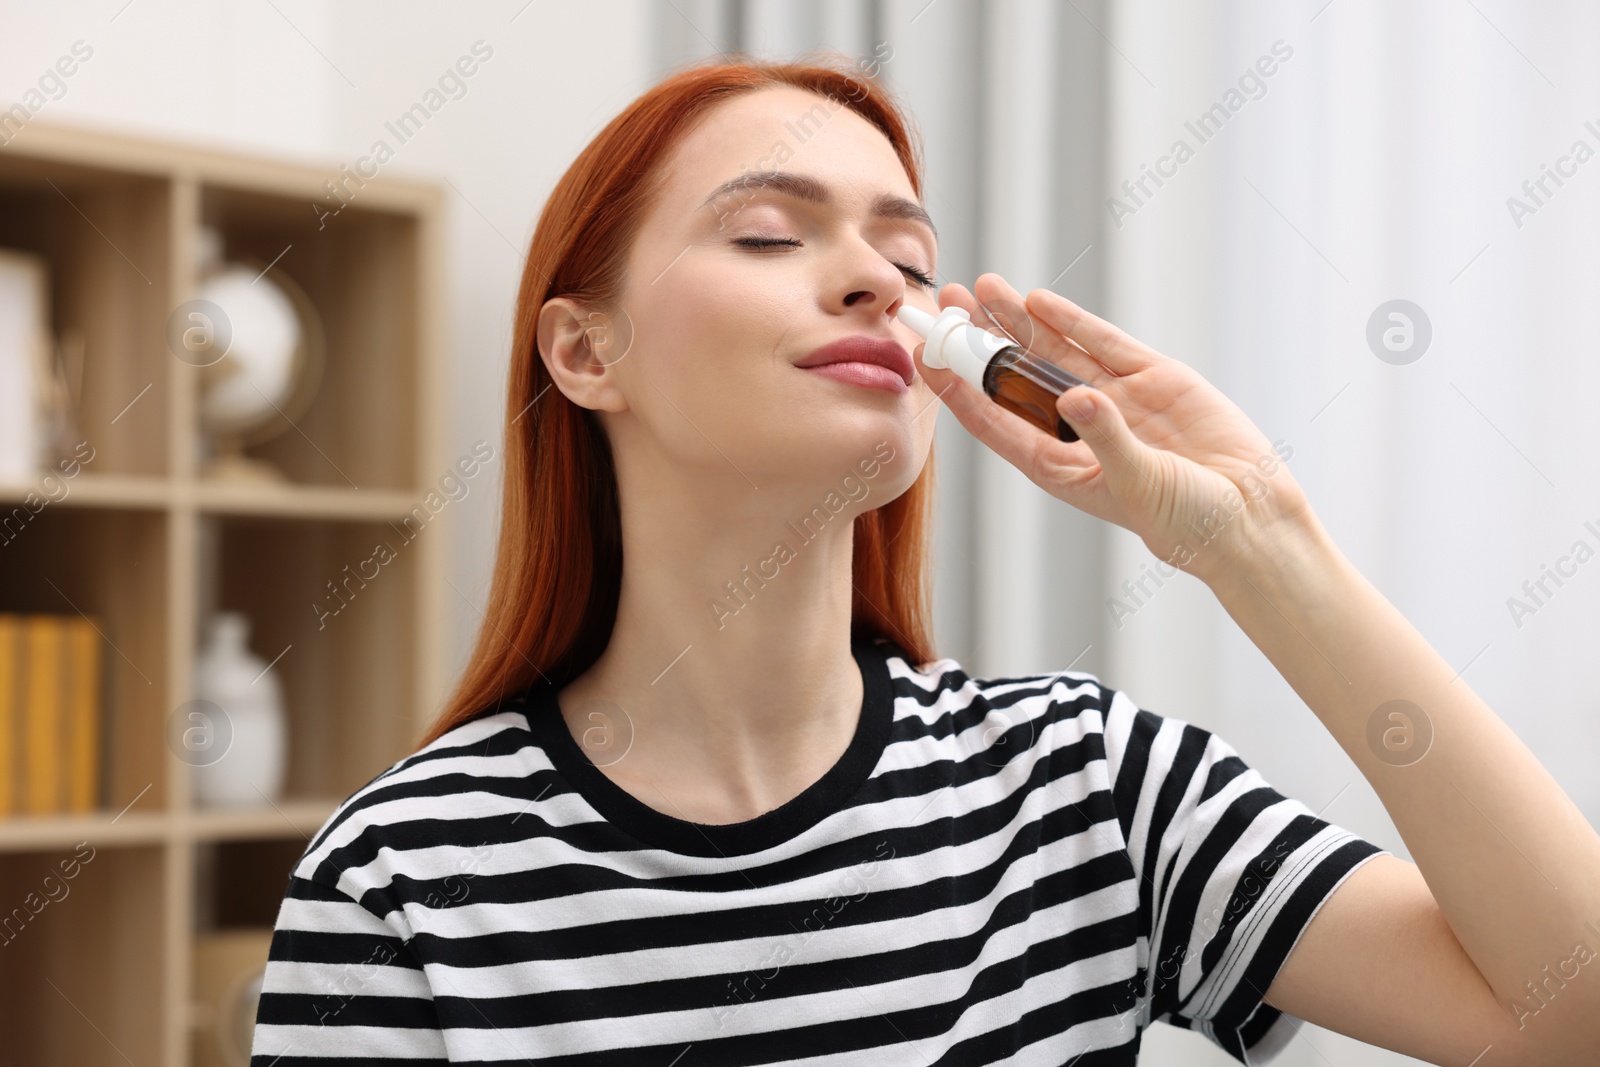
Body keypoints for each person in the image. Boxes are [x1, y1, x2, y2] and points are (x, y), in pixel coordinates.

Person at [250, 55, 1600, 1066]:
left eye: (909, 256)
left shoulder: (1084, 787)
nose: (879, 287)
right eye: (772, 233)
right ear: (585, 354)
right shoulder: (405, 880)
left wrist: (1259, 546)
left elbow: (1568, 1013)